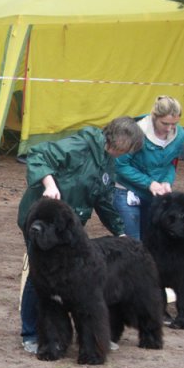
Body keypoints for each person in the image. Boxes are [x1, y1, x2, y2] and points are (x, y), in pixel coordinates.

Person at [17, 117, 144, 354]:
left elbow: (103, 200)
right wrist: (49, 184)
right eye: (130, 148)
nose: (128, 153)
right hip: (42, 220)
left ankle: (68, 335)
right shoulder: (79, 146)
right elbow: (37, 154)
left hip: (66, 228)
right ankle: (32, 334)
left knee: (72, 276)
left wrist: (120, 231)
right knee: (41, 275)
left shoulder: (108, 162)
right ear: (121, 141)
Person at [113, 95, 184, 240]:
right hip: (127, 191)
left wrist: (167, 181)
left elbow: (171, 163)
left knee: (150, 241)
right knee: (132, 243)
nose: (169, 128)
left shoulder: (180, 135)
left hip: (154, 195)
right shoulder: (136, 132)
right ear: (154, 116)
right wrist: (149, 183)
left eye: (174, 124)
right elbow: (120, 165)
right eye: (165, 123)